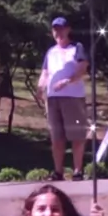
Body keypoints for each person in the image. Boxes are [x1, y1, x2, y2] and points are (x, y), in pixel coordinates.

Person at [38, 17, 89, 182]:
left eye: (61, 29)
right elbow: (45, 72)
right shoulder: (51, 52)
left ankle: (77, 171)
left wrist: (67, 81)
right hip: (53, 99)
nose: (58, 32)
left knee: (76, 135)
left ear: (68, 30)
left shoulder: (76, 48)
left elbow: (82, 68)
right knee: (56, 137)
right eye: (55, 29)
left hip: (73, 97)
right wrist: (40, 87)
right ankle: (58, 171)